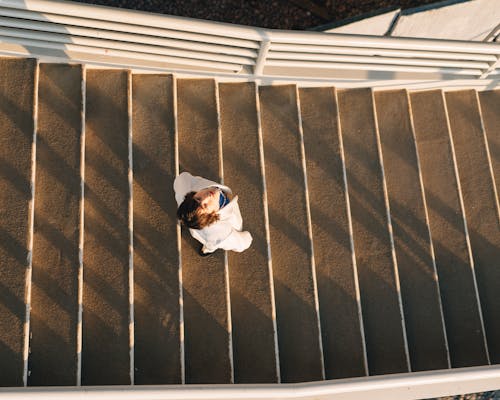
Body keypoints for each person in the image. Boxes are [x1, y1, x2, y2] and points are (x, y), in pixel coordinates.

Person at [174, 171, 252, 256]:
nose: (207, 197)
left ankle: (190, 223)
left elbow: (182, 179)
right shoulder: (220, 233)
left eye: (198, 198)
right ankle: (206, 250)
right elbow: (241, 243)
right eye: (205, 206)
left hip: (200, 223)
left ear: (191, 195)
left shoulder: (186, 188)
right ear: (212, 215)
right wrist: (247, 237)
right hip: (211, 236)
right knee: (211, 245)